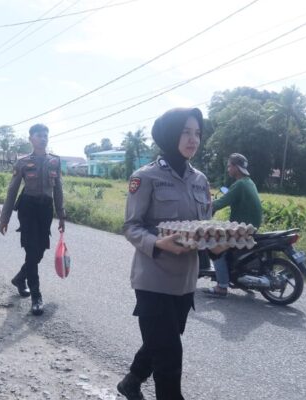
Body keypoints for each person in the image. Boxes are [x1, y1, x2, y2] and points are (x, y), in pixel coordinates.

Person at [118, 108, 220, 400]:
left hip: (185, 282)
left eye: (197, 133)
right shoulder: (145, 177)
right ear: (169, 134)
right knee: (170, 359)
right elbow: (131, 227)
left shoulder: (200, 180)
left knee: (160, 343)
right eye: (186, 132)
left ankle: (131, 381)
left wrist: (216, 244)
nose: (193, 139)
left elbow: (203, 228)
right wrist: (157, 243)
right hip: (153, 280)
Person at [0, 123, 66, 316]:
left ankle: (20, 278)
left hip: (46, 208)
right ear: (31, 138)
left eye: (45, 135)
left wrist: (61, 214)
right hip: (28, 208)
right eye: (39, 135)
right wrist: (5, 217)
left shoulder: (55, 161)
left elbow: (58, 189)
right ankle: (36, 297)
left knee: (40, 250)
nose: (43, 138)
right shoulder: (22, 162)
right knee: (31, 250)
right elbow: (12, 191)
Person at [202, 153, 263, 297]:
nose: (228, 169)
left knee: (215, 247)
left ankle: (222, 287)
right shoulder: (249, 181)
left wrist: (205, 208)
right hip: (249, 225)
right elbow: (230, 196)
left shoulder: (239, 184)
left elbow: (221, 202)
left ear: (236, 167)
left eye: (229, 166)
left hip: (242, 228)